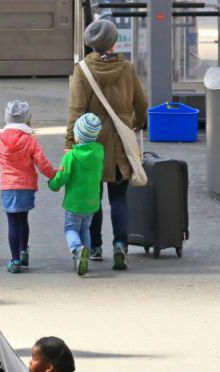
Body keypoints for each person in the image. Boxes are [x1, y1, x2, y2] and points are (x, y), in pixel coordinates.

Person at [66, 18, 149, 269]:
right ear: (114, 42)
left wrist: (70, 143)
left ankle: (95, 246)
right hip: (119, 142)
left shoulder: (83, 70)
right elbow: (141, 103)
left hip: (90, 142)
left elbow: (76, 109)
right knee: (119, 197)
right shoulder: (127, 68)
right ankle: (120, 245)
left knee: (93, 196)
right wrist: (136, 123)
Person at [0, 99, 56, 273]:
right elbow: (42, 163)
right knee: (23, 219)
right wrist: (55, 174)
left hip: (8, 187)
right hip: (27, 186)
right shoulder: (29, 140)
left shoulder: (0, 139)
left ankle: (15, 260)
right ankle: (24, 251)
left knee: (13, 223)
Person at [49, 112, 105, 277]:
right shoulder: (99, 152)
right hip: (92, 201)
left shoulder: (71, 156)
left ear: (78, 136)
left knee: (71, 228)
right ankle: (83, 258)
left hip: (74, 202)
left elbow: (62, 176)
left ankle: (77, 249)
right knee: (85, 229)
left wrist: (53, 184)